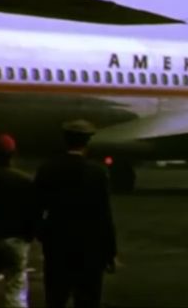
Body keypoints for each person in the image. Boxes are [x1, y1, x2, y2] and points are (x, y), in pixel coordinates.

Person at [34, 119, 118, 308]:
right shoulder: (97, 173)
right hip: (89, 249)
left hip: (57, 246)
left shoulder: (48, 169)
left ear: (65, 140)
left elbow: (36, 207)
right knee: (88, 299)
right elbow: (104, 215)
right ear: (87, 142)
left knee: (55, 298)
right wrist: (110, 253)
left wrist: (43, 234)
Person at [0, 134, 36, 308]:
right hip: (15, 241)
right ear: (13, 154)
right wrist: (28, 237)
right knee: (15, 290)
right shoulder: (25, 181)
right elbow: (32, 213)